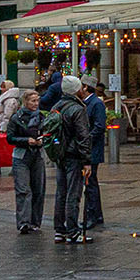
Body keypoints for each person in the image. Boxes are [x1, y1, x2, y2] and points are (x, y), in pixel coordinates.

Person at [51, 76, 94, 244]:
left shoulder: (57, 106)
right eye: (81, 87)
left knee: (61, 192)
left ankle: (59, 230)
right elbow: (83, 136)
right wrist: (87, 160)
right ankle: (73, 230)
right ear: (77, 90)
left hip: (60, 154)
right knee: (73, 193)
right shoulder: (77, 109)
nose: (83, 90)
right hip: (74, 156)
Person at [4, 88, 47, 234]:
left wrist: (42, 141)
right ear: (25, 101)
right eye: (33, 101)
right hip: (21, 156)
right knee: (23, 190)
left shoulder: (41, 117)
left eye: (37, 101)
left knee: (38, 190)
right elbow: (10, 138)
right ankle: (23, 222)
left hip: (37, 155)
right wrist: (26, 140)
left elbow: (47, 134)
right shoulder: (17, 118)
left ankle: (35, 222)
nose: (36, 104)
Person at [82, 84, 107, 231]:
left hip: (92, 149)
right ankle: (96, 215)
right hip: (90, 148)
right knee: (91, 183)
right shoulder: (88, 103)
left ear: (86, 88)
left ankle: (93, 215)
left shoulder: (96, 103)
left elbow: (99, 126)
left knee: (90, 182)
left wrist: (86, 139)